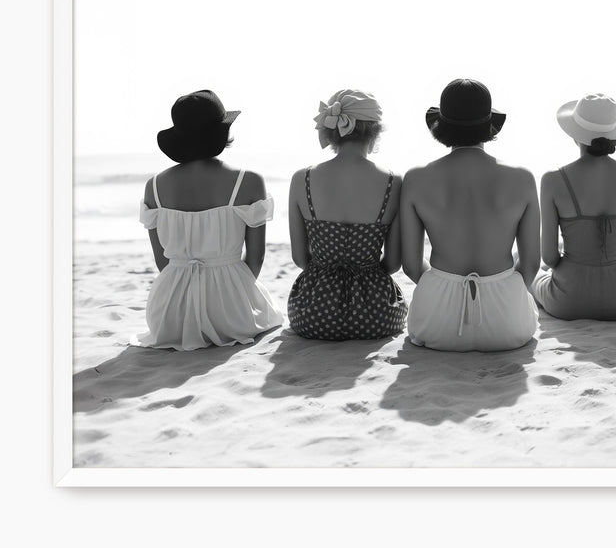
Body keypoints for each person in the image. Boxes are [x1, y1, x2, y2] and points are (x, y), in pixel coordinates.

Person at [131, 89, 283, 350]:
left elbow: (162, 261)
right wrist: (232, 293)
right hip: (230, 310)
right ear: (221, 134)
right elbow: (255, 258)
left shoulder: (154, 186)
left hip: (169, 314)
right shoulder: (248, 181)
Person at [400, 79, 540, 352]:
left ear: (441, 125)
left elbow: (412, 266)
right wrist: (499, 290)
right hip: (507, 321)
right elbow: (531, 264)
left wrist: (445, 287)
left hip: (436, 319)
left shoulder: (416, 179)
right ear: (489, 125)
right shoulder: (521, 179)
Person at [287, 89, 407, 341]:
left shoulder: (303, 179)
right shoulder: (393, 182)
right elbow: (393, 264)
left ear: (330, 130)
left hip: (313, 314)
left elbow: (300, 258)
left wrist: (327, 276)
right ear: (375, 131)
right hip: (377, 315)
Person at [532, 93, 616, 320]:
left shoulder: (553, 179)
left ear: (575, 134)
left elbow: (550, 258)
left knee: (527, 266)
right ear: (613, 135)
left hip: (569, 301)